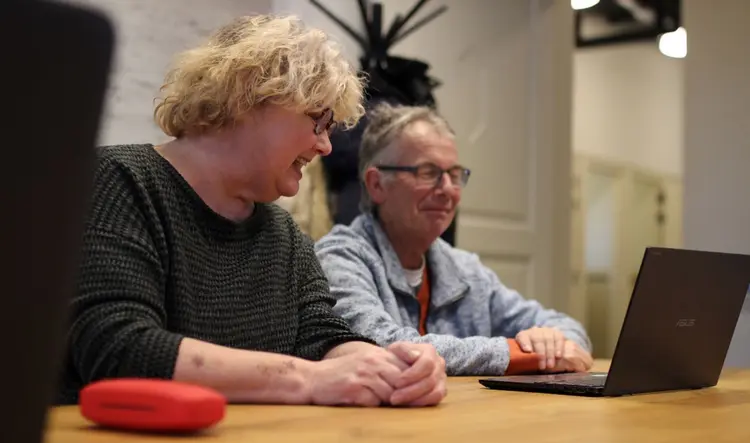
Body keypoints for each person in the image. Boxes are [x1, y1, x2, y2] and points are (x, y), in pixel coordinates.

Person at [58, 15, 446, 408]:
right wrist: (308, 380)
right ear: (249, 98)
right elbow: (119, 349)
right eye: (318, 120)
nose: (326, 146)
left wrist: (392, 368)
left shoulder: (284, 235)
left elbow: (323, 339)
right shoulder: (118, 181)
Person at [315, 103, 594, 376]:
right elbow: (381, 347)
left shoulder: (464, 268)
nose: (448, 189)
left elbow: (568, 329)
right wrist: (520, 354)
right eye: (428, 173)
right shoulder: (339, 256)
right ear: (377, 184)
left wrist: (551, 343)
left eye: (455, 174)